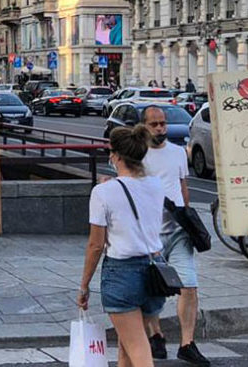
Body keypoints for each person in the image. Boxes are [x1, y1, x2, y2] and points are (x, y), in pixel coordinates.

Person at [77, 125, 164, 367]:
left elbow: (96, 245)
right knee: (128, 345)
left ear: (115, 155)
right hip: (156, 269)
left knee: (137, 348)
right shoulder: (156, 185)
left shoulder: (103, 192)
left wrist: (84, 286)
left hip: (122, 272)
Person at [140, 106, 210, 366]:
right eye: (154, 124)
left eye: (163, 123)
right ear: (144, 126)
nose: (160, 128)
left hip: (179, 232)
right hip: (149, 234)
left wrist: (189, 220)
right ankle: (155, 335)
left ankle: (187, 344)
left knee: (189, 286)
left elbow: (183, 187)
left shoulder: (178, 152)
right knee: (151, 289)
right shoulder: (138, 155)